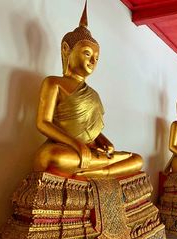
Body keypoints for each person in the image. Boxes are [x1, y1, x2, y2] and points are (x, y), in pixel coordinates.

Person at [33, 3, 143, 179]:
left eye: (96, 58)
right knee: (50, 156)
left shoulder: (93, 93)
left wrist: (103, 141)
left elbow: (90, 128)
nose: (93, 61)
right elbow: (43, 123)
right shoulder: (54, 83)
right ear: (66, 50)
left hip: (89, 152)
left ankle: (94, 170)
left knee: (137, 160)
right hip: (66, 149)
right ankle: (100, 168)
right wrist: (76, 144)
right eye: (87, 53)